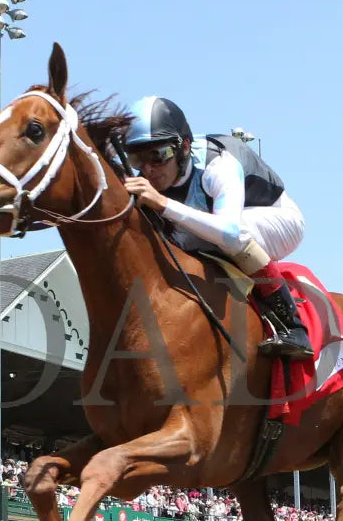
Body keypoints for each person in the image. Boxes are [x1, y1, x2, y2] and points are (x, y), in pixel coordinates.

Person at [123, 96, 313, 360]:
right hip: (219, 222)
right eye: (137, 158)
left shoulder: (219, 166)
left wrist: (163, 204)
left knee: (219, 235)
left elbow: (230, 232)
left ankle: (293, 325)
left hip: (278, 220)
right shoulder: (148, 175)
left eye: (158, 155)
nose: (148, 170)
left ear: (184, 147)